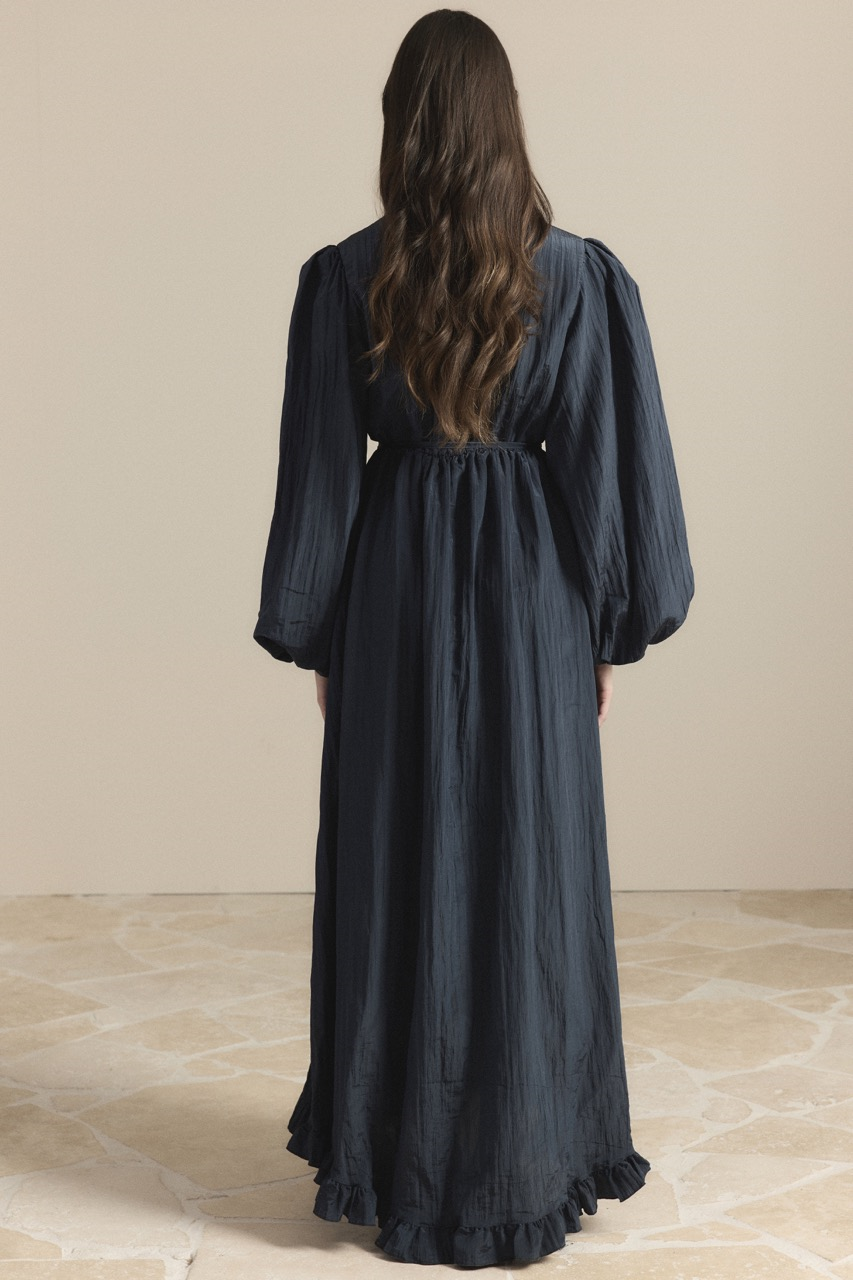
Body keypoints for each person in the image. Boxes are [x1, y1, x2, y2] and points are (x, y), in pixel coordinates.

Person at [252, 8, 694, 1268]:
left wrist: (323, 632)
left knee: (394, 852)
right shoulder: (579, 277)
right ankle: (527, 1145)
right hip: (532, 590)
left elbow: (323, 479)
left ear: (400, 126)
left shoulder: (348, 275)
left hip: (392, 589)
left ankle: (397, 1145)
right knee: (529, 860)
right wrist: (604, 621)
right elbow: (607, 468)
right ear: (506, 125)